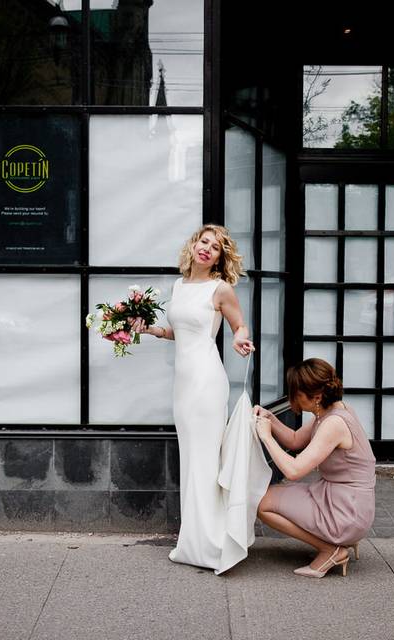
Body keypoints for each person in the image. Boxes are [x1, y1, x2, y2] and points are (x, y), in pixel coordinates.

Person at [133, 224, 258, 574]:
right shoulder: (180, 285)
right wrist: (152, 330)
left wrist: (239, 340)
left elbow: (239, 326)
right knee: (191, 461)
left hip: (205, 381)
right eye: (204, 242)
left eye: (215, 247)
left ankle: (213, 546)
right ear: (193, 245)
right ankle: (192, 543)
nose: (207, 249)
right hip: (183, 385)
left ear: (220, 257)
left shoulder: (221, 289)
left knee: (204, 462)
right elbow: (180, 331)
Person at [253, 358, 376, 578]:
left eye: (296, 395)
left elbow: (293, 471)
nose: (294, 400)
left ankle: (332, 549)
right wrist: (270, 418)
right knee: (263, 496)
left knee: (262, 505)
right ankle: (337, 543)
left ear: (317, 397)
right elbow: (294, 440)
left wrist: (266, 437)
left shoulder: (333, 424)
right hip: (342, 498)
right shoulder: (332, 411)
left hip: (346, 510)